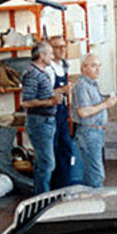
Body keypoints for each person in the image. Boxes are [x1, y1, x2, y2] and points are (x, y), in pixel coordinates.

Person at [22, 40, 65, 193]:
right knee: (47, 163)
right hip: (39, 122)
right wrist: (51, 101)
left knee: (43, 162)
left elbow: (43, 94)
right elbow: (26, 102)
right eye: (50, 53)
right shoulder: (33, 74)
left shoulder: (43, 73)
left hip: (48, 121)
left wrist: (56, 94)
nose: (53, 56)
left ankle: (41, 194)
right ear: (41, 55)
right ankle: (42, 198)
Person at [70, 53, 117, 188]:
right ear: (83, 68)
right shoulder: (82, 86)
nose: (98, 69)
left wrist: (105, 99)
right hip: (88, 132)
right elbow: (83, 112)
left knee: (92, 171)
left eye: (98, 66)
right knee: (96, 174)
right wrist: (105, 105)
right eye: (93, 66)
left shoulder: (92, 85)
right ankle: (97, 203)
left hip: (96, 132)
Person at [48, 35, 80, 189]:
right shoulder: (47, 68)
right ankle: (54, 189)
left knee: (65, 149)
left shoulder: (63, 66)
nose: (62, 50)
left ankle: (65, 185)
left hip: (62, 113)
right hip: (51, 113)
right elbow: (43, 94)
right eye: (57, 47)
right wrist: (62, 90)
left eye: (63, 46)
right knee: (53, 152)